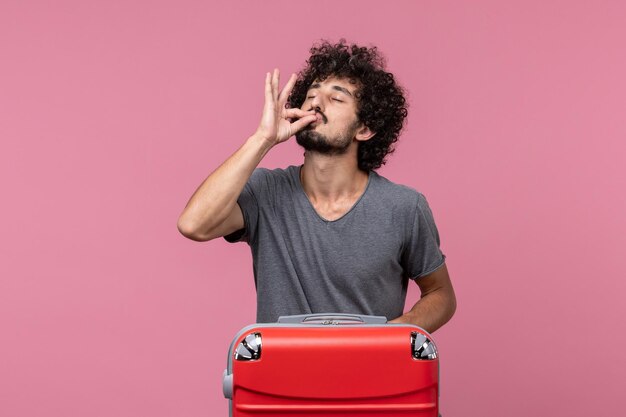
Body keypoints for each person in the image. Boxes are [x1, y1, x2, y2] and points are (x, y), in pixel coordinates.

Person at [177, 40, 456, 333]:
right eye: (312, 94)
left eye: (336, 99)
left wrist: (389, 336)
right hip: (280, 376)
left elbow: (441, 295)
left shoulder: (404, 208)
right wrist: (262, 140)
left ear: (365, 128)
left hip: (370, 376)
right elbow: (194, 224)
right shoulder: (266, 192)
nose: (316, 103)